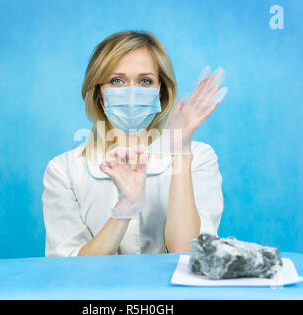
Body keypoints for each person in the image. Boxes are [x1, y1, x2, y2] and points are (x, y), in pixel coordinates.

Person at [42, 30, 227, 256]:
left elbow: (188, 252)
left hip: (172, 293)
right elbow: (69, 267)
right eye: (117, 80)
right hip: (99, 292)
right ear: (99, 92)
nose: (131, 92)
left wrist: (180, 151)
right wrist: (124, 209)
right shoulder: (64, 170)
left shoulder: (198, 156)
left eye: (145, 81)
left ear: (161, 92)